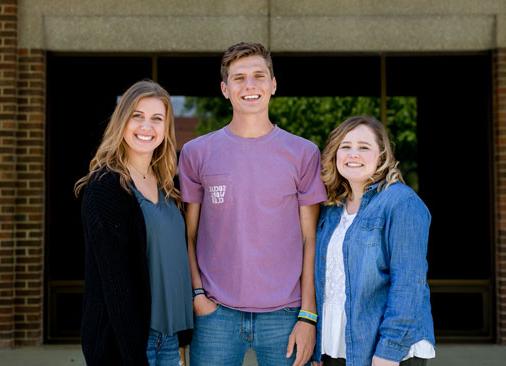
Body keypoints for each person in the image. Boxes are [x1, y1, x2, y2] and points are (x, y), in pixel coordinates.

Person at [178, 42, 328, 366]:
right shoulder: (196, 153)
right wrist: (197, 295)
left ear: (273, 85)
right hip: (215, 315)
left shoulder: (303, 153)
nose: (250, 85)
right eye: (239, 77)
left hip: (285, 315)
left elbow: (309, 239)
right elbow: (188, 234)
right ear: (224, 88)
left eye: (259, 76)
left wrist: (308, 316)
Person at [74, 80, 193, 366]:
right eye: (137, 116)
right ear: (122, 122)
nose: (146, 127)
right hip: (128, 342)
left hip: (170, 339)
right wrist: (133, 354)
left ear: (166, 129)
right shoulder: (105, 189)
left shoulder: (170, 188)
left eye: (157, 119)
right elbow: (115, 283)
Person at [313, 116, 435, 366]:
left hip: (386, 353)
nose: (353, 154)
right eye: (345, 147)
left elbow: (409, 284)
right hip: (337, 348)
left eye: (364, 147)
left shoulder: (401, 203)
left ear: (382, 155)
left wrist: (388, 352)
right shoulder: (333, 210)